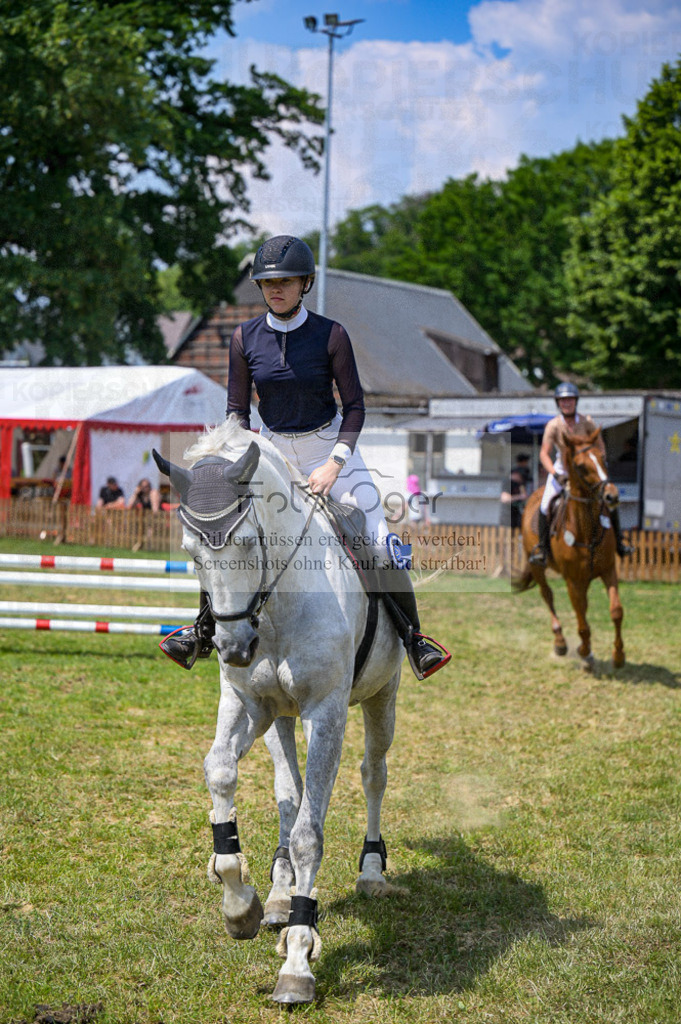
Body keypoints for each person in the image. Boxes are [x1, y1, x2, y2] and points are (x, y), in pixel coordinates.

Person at [161, 234, 450, 679]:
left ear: (306, 284)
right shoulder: (244, 338)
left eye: (287, 281)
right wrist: (234, 461)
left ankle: (414, 640)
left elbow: (355, 407)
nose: (275, 289)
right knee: (227, 535)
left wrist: (335, 463)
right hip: (271, 451)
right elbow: (236, 413)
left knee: (378, 542)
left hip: (329, 445)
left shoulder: (331, 335)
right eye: (267, 282)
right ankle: (201, 630)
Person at [529, 382, 633, 565]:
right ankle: (542, 550)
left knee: (610, 501)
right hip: (562, 471)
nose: (566, 403)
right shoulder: (553, 426)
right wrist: (555, 474)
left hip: (586, 473)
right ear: (558, 403)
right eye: (563, 400)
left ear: (576, 401)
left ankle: (619, 543)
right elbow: (544, 454)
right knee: (545, 506)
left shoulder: (587, 422)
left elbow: (600, 446)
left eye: (569, 400)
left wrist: (599, 466)